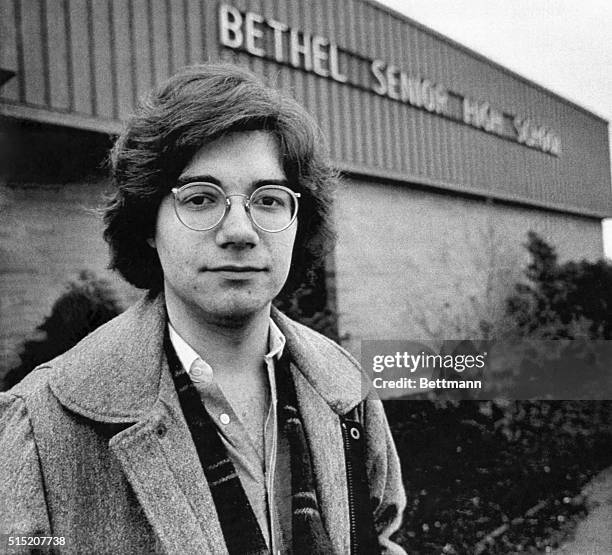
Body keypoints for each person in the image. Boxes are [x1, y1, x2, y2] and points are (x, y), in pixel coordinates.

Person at [0, 63, 406, 554]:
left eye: (269, 200)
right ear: (148, 224)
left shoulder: (346, 390)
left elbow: (376, 541)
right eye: (200, 198)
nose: (239, 230)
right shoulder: (39, 426)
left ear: (299, 225)